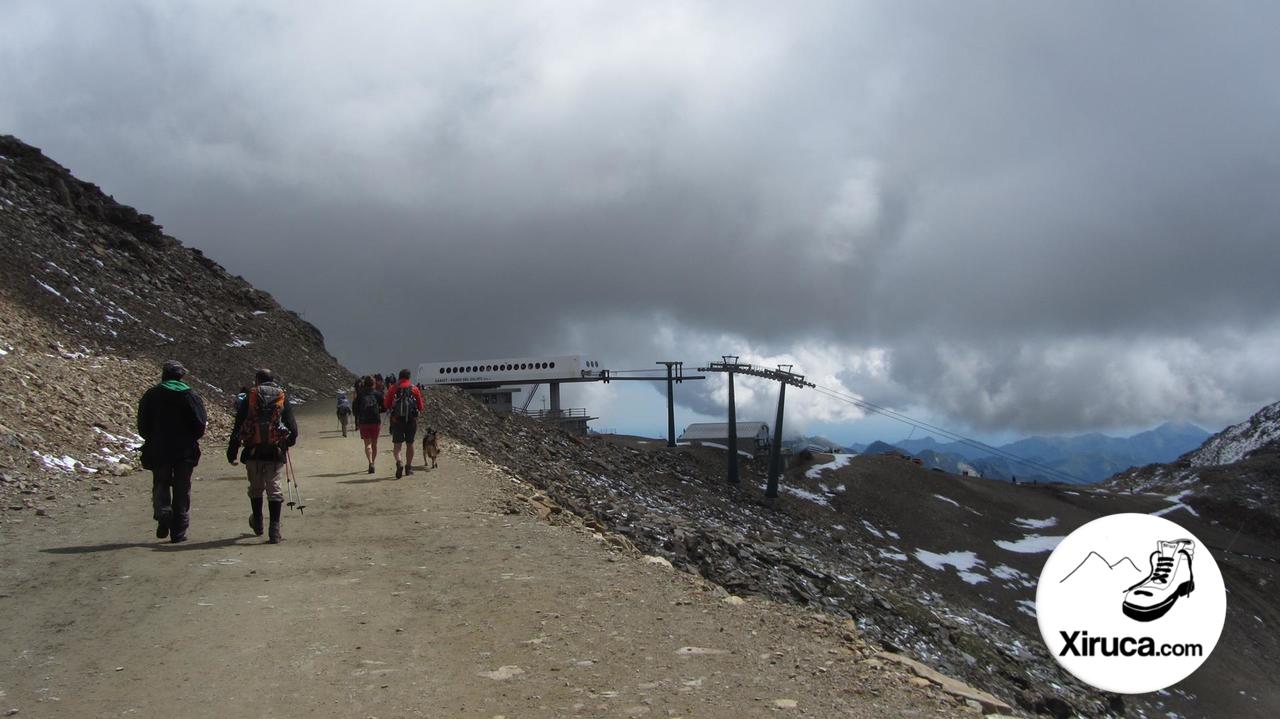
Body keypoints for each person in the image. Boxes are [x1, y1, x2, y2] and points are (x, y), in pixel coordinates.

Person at [137, 360, 207, 543]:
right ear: (181, 376)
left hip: (159, 448)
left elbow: (143, 425)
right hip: (185, 450)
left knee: (161, 481)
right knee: (182, 487)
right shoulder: (190, 395)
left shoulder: (151, 395)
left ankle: (163, 512)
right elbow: (200, 425)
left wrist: (152, 438)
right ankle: (179, 531)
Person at [227, 368, 298, 544]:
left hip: (253, 450)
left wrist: (232, 451)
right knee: (274, 488)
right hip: (275, 451)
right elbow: (293, 429)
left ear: (257, 380)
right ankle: (274, 529)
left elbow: (239, 426)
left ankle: (258, 522)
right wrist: (286, 444)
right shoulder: (282, 397)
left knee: (256, 488)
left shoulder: (250, 398)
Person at [383, 368, 425, 478]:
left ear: (399, 377)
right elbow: (421, 406)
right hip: (411, 421)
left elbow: (386, 404)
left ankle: (399, 462)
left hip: (397, 421)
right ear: (409, 377)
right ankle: (409, 467)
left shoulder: (393, 388)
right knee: (410, 444)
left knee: (397, 445)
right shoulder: (414, 389)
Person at [354, 375, 384, 473]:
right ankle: (373, 463)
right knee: (374, 443)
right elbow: (384, 406)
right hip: (375, 421)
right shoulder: (378, 394)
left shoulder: (360, 394)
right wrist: (379, 411)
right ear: (374, 384)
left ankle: (370, 462)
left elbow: (355, 407)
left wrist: (358, 417)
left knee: (368, 444)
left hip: (364, 422)